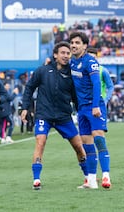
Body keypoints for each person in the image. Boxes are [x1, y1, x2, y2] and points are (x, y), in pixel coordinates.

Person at [20, 41, 87, 190]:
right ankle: (36, 179)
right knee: (40, 141)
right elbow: (30, 87)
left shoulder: (72, 73)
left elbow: (76, 96)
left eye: (68, 53)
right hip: (44, 114)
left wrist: (82, 112)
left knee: (78, 146)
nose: (66, 56)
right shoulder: (42, 71)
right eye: (63, 53)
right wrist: (25, 107)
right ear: (55, 55)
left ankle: (88, 177)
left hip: (64, 116)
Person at [69, 31, 111, 189]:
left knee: (98, 138)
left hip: (94, 106)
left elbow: (96, 84)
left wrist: (95, 106)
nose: (74, 45)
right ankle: (92, 181)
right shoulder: (72, 63)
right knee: (86, 143)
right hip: (81, 109)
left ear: (85, 46)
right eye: (72, 42)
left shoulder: (90, 61)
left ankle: (106, 176)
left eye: (77, 43)